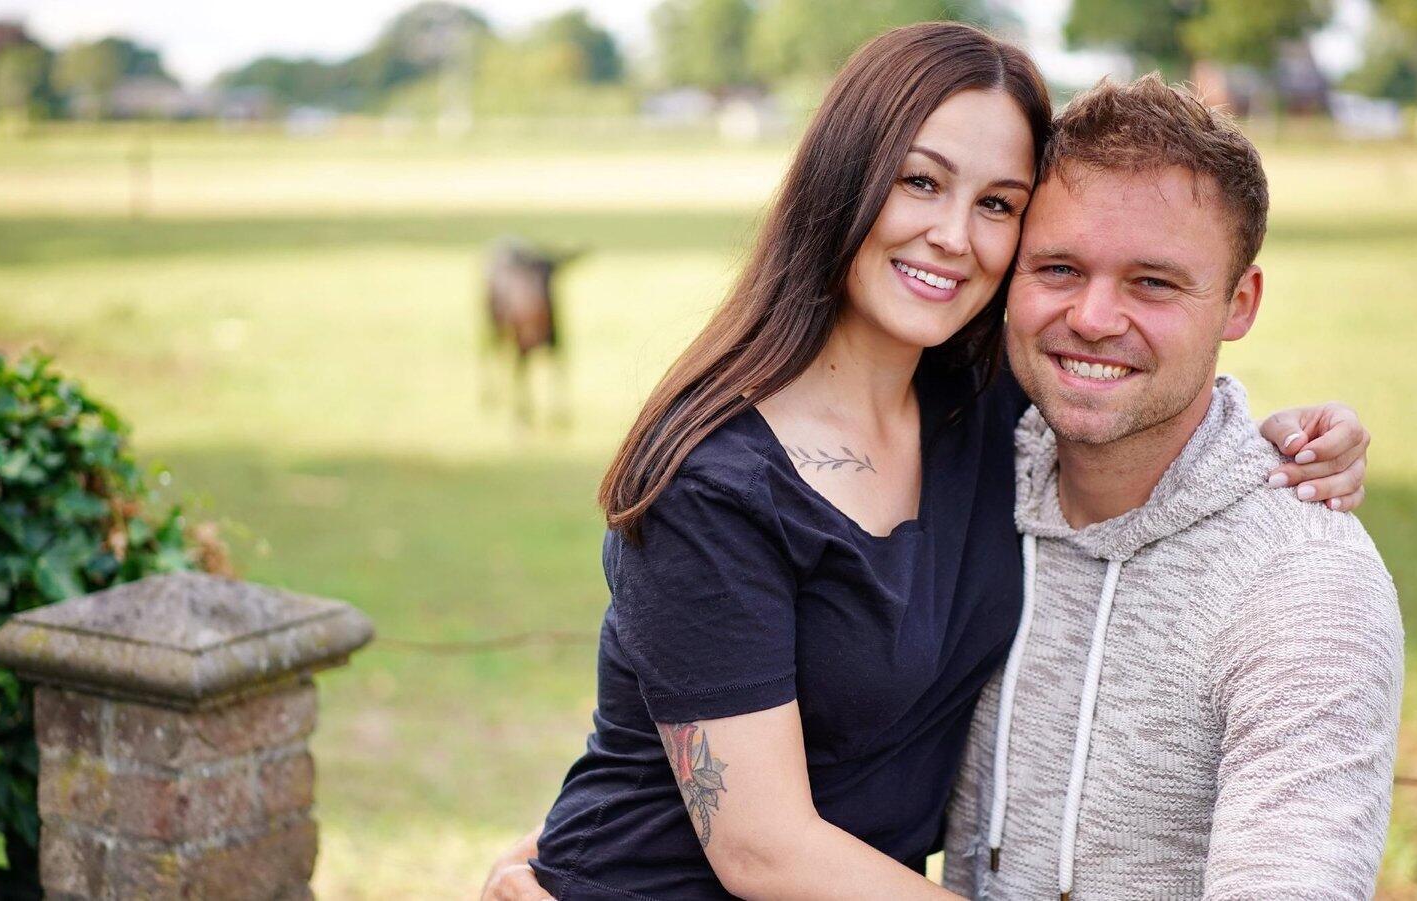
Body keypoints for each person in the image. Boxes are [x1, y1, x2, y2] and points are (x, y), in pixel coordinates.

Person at [482, 23, 1372, 901]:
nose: (954, 235)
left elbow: (1139, 397)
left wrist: (1274, 444)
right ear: (844, 178)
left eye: (998, 204)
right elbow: (761, 849)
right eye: (921, 182)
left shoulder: (990, 412)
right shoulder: (713, 482)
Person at [940, 76, 1403, 900]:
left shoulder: (1304, 583)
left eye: (1153, 282)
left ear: (1239, 302)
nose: (1093, 317)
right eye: (1059, 267)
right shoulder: (964, 477)